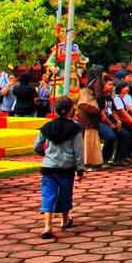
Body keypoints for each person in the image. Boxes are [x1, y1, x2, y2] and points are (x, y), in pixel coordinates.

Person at [34, 97, 84, 239]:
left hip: (48, 167)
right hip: (66, 167)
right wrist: (80, 169)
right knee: (65, 193)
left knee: (48, 194)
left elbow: (37, 146)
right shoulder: (75, 128)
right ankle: (64, 220)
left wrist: (45, 154)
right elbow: (78, 151)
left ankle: (47, 226)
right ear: (71, 110)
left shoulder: (47, 127)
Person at [75, 88, 104, 169]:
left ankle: (91, 162)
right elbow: (94, 110)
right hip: (89, 125)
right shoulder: (85, 103)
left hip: (90, 125)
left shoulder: (84, 102)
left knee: (91, 144)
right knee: (90, 144)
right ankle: (90, 162)